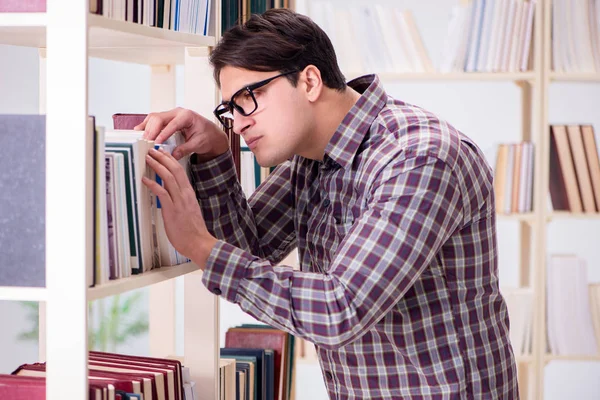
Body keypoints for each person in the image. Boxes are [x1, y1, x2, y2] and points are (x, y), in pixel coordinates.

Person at [138, 8, 519, 400]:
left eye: (249, 97)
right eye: (230, 109)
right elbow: (250, 254)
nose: (240, 120)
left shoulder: (418, 158)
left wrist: (200, 246)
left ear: (310, 81)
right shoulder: (313, 158)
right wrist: (216, 152)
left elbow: (339, 309)